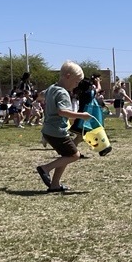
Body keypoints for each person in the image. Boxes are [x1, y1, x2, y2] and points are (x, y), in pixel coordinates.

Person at [36, 61, 97, 193]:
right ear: (68, 76)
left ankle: (55, 185)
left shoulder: (52, 88)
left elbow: (41, 94)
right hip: (57, 131)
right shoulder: (63, 93)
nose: (76, 86)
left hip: (48, 130)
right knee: (75, 155)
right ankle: (45, 168)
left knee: (65, 155)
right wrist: (81, 115)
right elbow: (62, 112)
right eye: (76, 82)